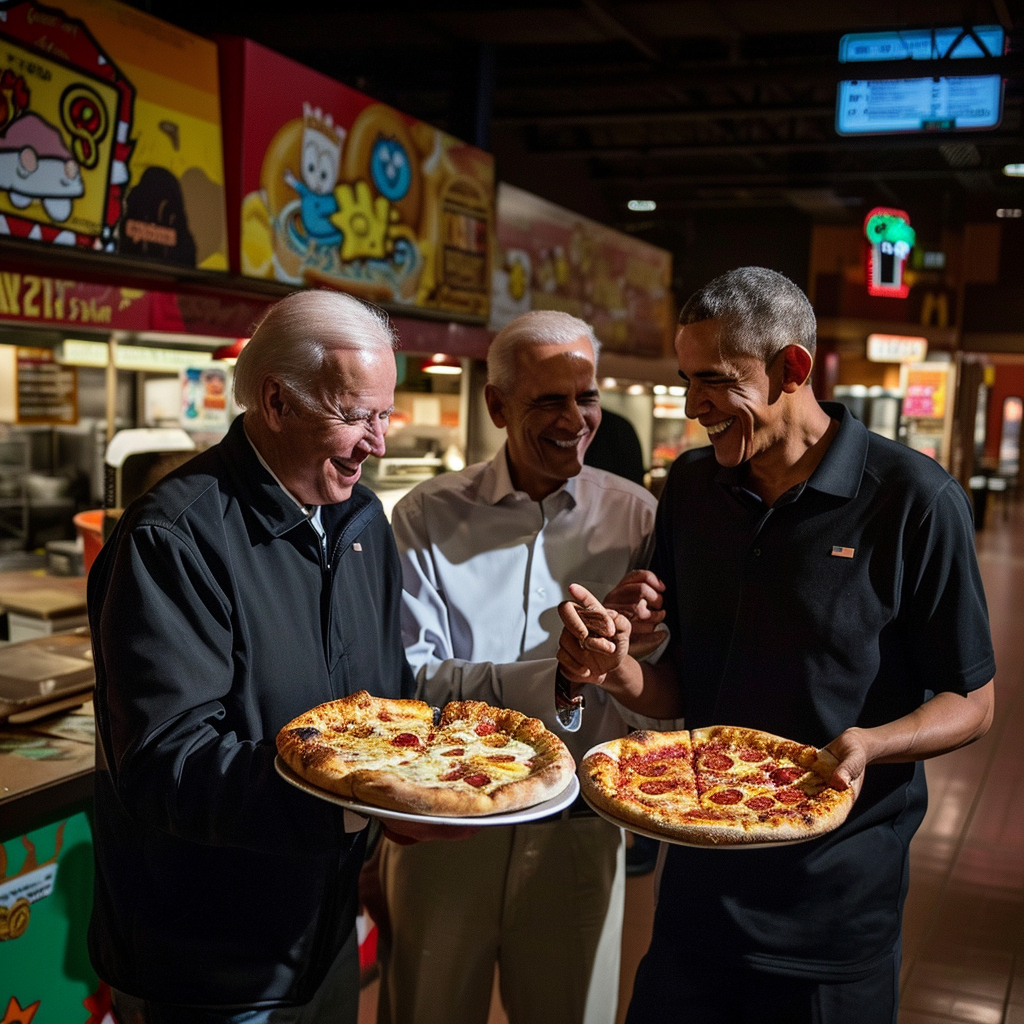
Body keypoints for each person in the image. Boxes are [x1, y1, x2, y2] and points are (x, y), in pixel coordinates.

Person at [557, 267, 996, 1024]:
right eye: (685, 380)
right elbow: (684, 690)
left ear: (792, 369)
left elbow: (975, 700)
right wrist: (617, 668)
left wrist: (871, 743)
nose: (694, 407)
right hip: (695, 891)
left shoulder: (915, 500)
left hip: (832, 914)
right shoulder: (693, 487)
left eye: (715, 382)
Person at [87, 289, 470, 1024]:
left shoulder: (360, 522)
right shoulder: (173, 539)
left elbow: (384, 698)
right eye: (356, 415)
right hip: (207, 964)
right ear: (275, 401)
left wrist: (409, 784)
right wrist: (356, 807)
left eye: (384, 415)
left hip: (319, 937)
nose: (378, 442)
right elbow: (169, 765)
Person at [374, 309, 666, 1024]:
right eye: (549, 400)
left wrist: (641, 643)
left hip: (578, 822)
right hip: (445, 823)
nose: (576, 419)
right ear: (497, 405)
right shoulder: (425, 516)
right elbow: (413, 687)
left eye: (586, 396)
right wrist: (557, 677)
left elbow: (655, 701)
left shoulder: (638, 520)